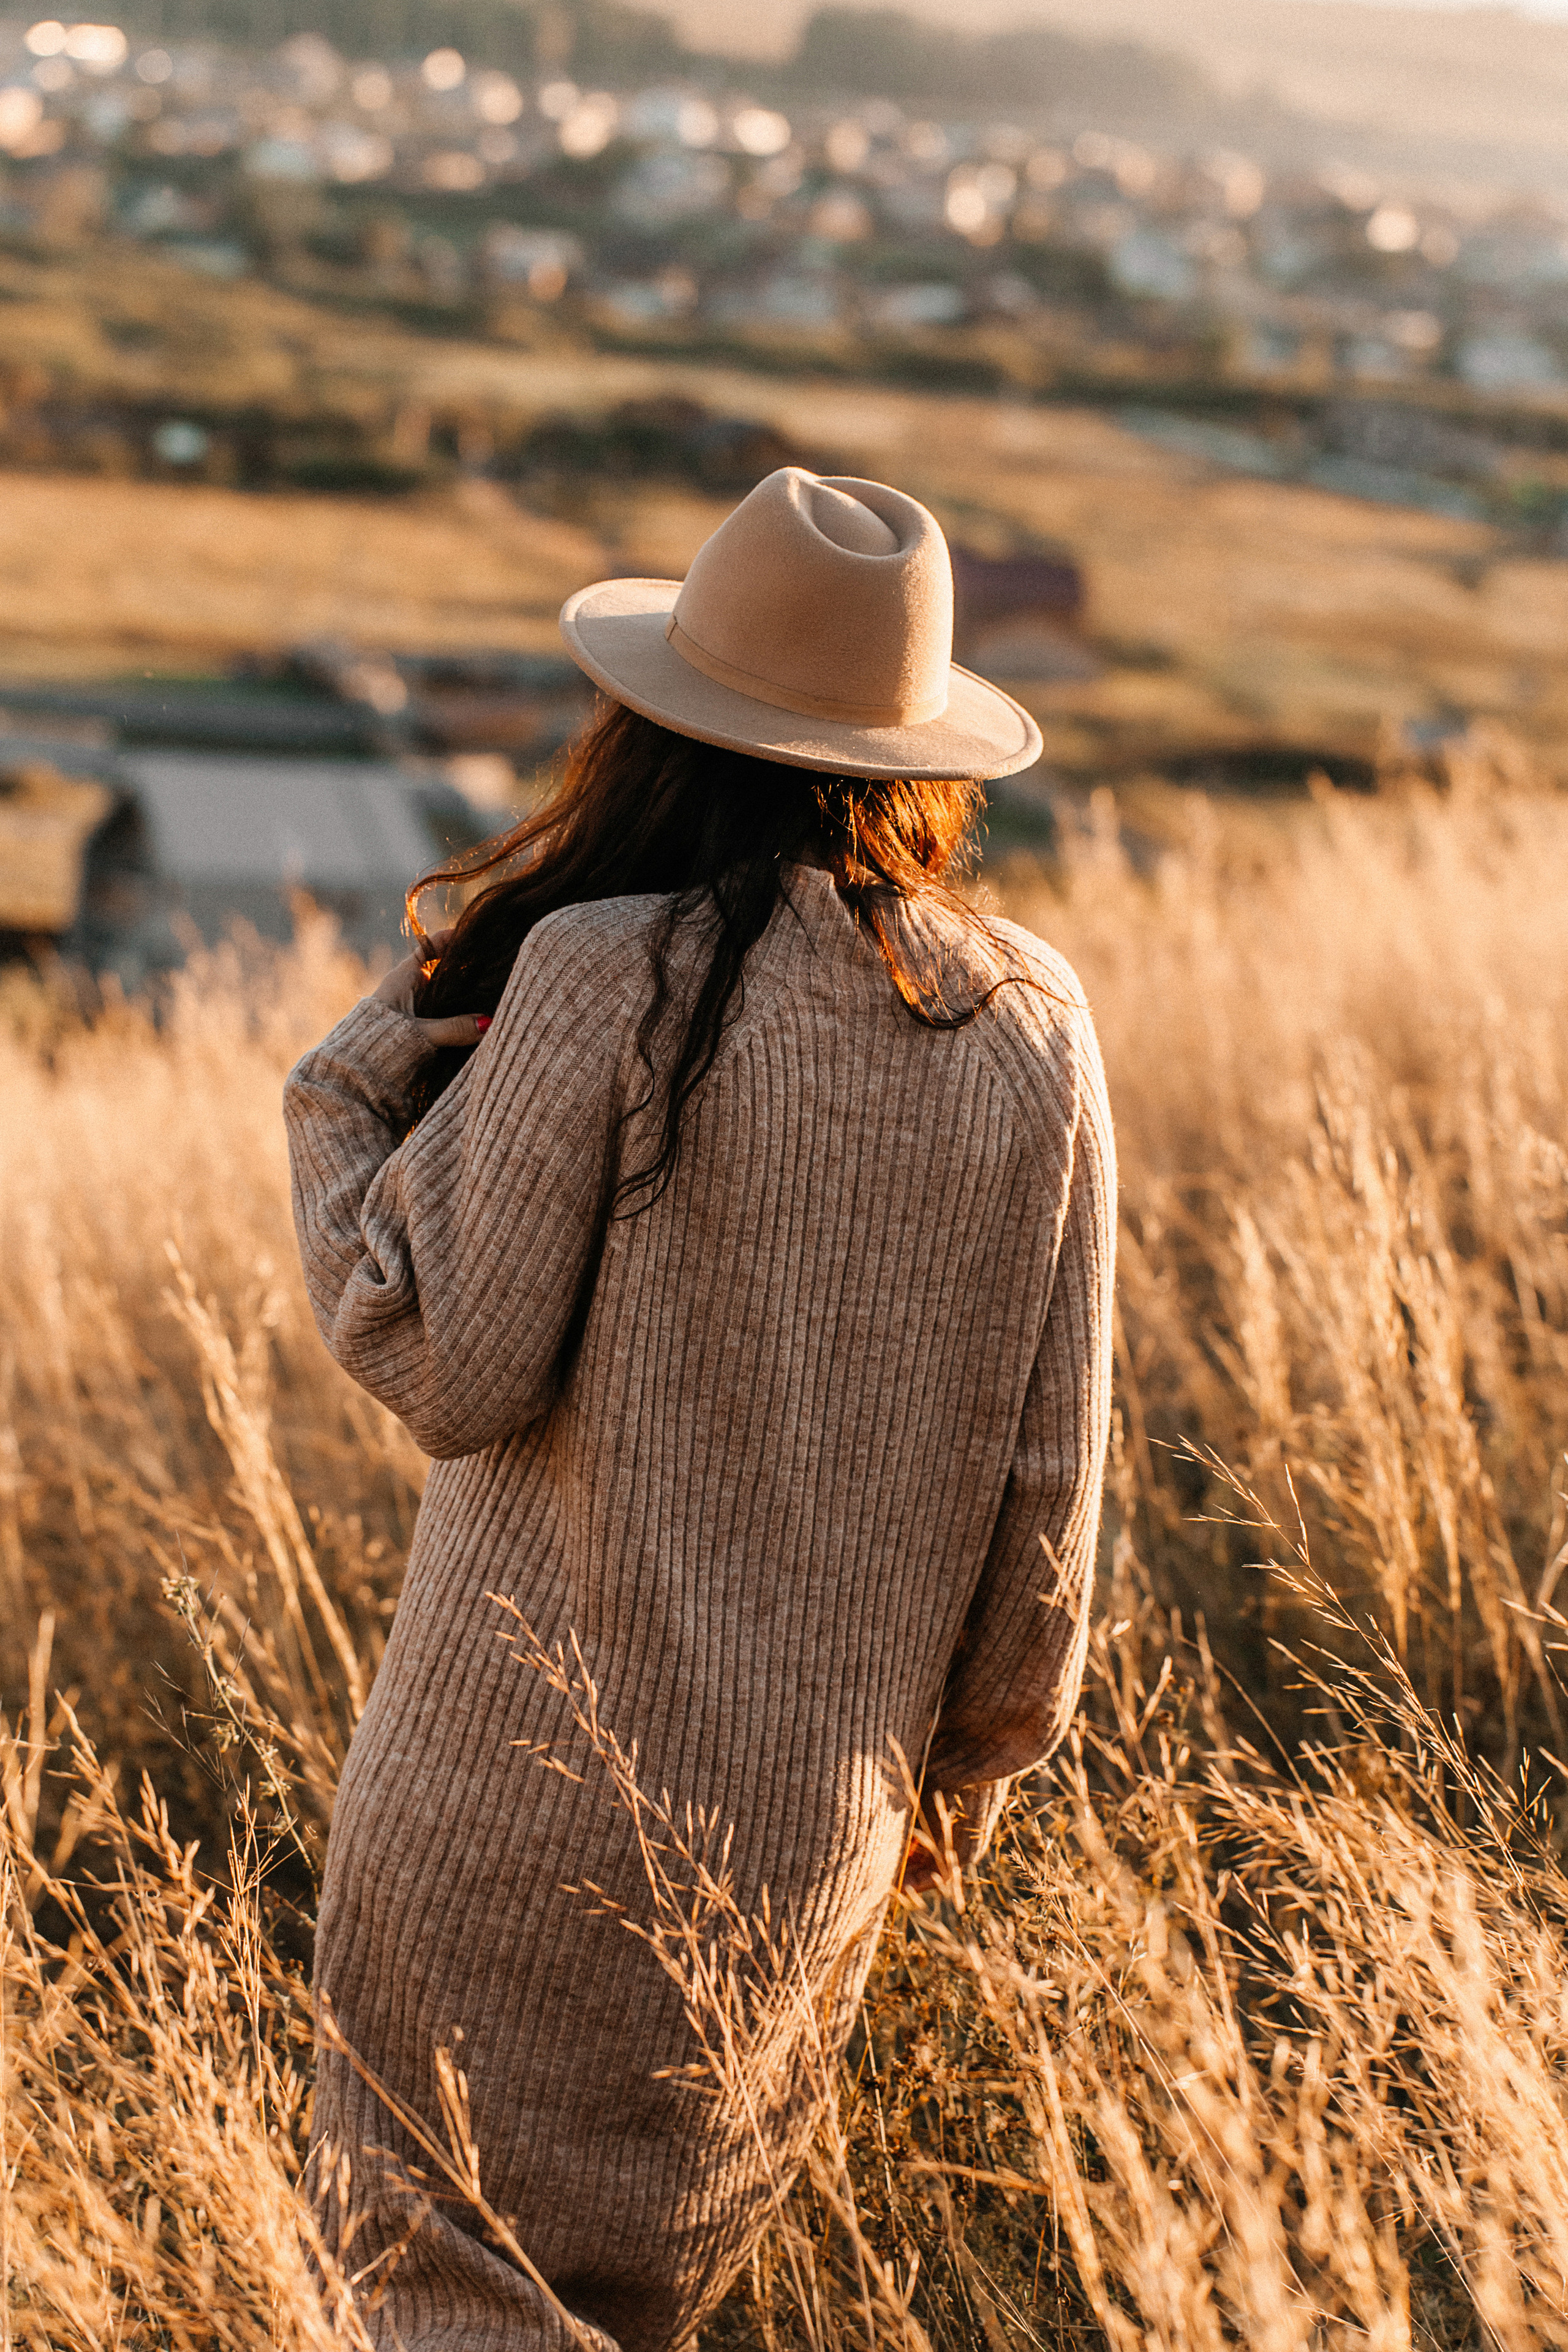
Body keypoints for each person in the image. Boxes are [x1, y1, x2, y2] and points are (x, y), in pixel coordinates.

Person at [284, 466, 1115, 2351]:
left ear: (651, 728)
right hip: (802, 1842)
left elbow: (441, 1360)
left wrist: (359, 1085)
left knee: (418, 2289)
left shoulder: (594, 973)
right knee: (642, 2316)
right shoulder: (1037, 1025)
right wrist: (956, 1781)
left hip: (493, 1802)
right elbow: (1050, 1505)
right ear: (916, 755)